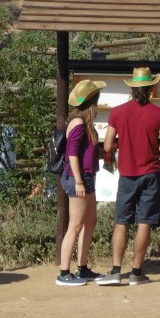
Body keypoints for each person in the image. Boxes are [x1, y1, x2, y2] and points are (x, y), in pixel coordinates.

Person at [97, 67, 160, 286]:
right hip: (150, 174)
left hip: (127, 175)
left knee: (121, 222)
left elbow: (108, 145)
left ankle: (115, 270)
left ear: (131, 88)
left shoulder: (118, 112)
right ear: (151, 88)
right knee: (144, 222)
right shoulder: (159, 113)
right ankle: (136, 272)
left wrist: (126, 144)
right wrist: (150, 146)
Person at [56, 79, 107, 286]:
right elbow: (72, 154)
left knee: (89, 221)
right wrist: (78, 181)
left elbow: (84, 152)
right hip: (78, 178)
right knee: (75, 224)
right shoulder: (78, 123)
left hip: (86, 176)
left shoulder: (84, 123)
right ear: (92, 101)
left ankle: (83, 268)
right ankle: (64, 272)